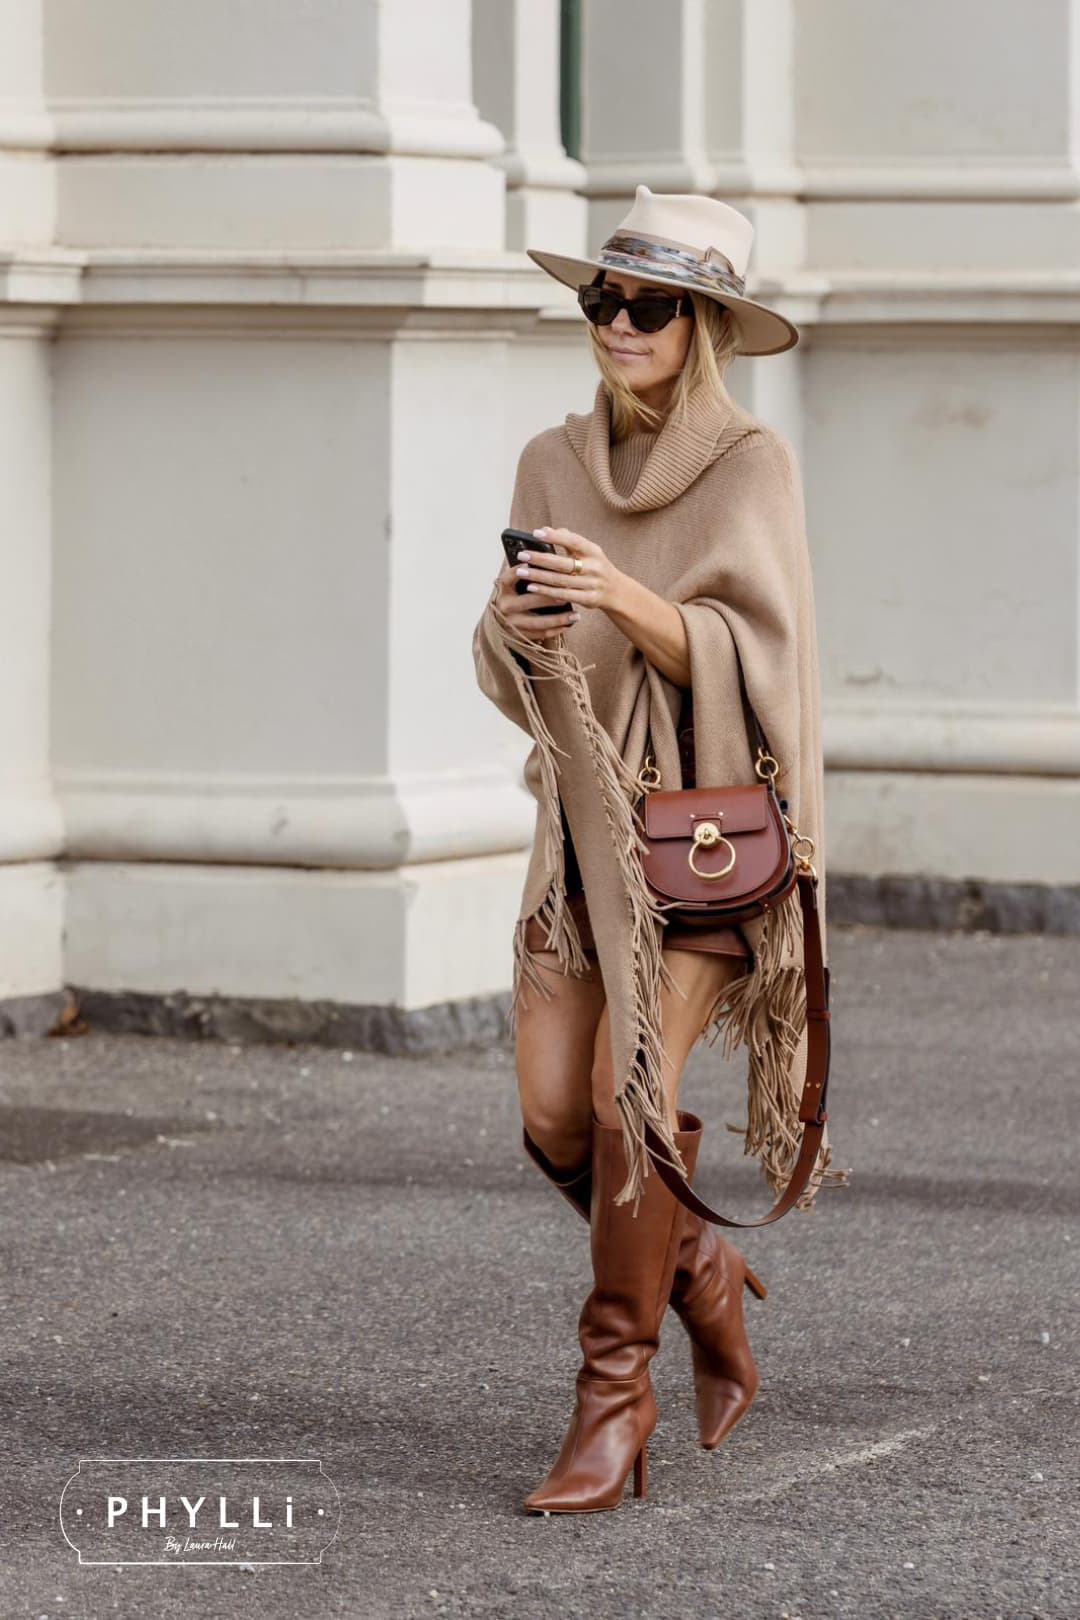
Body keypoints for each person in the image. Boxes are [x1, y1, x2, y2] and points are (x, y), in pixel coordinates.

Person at [471, 184, 842, 1515]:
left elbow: (767, 665)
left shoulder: (753, 466)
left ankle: (612, 1403)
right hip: (578, 844)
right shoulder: (550, 461)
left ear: (705, 326)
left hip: (700, 843)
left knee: (634, 1098)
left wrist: (625, 593)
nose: (619, 325)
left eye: (650, 306)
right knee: (551, 1114)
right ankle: (697, 1267)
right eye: (603, 300)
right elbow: (511, 668)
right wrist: (521, 627)